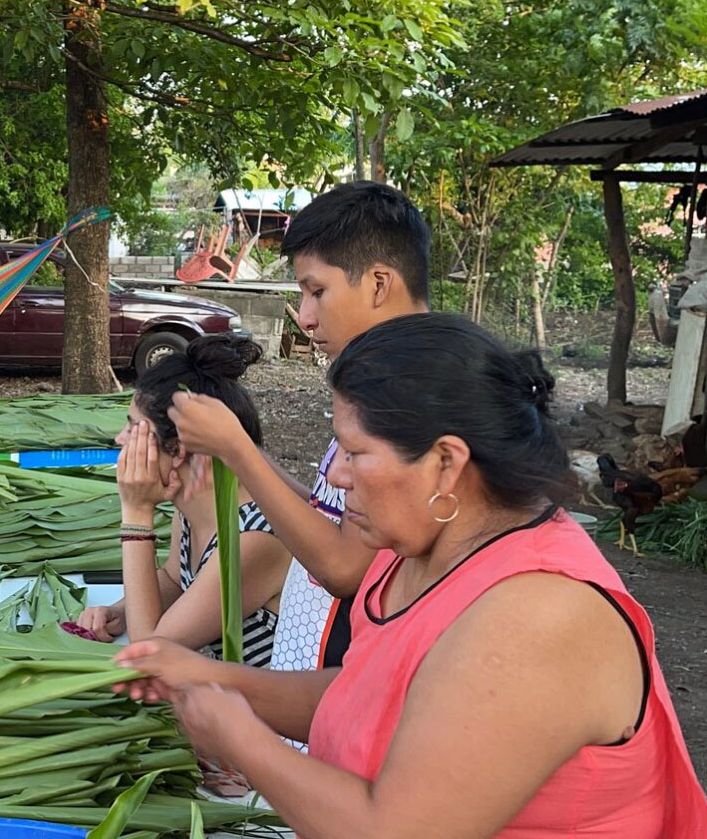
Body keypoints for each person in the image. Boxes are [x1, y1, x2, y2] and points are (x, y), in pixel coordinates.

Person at [117, 314, 707, 838]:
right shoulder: (417, 550)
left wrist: (240, 736)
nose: (338, 477)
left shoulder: (538, 614)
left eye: (355, 452)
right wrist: (209, 677)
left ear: (446, 463)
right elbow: (362, 694)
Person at [169, 181, 430, 675]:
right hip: (315, 672)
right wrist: (237, 450)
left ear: (378, 283)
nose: (306, 317)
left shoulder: (413, 392)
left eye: (317, 291)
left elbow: (344, 568)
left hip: (353, 672)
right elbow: (324, 514)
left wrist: (237, 450)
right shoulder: (377, 380)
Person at [76, 335, 289, 667]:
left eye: (133, 428)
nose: (120, 439)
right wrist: (121, 610)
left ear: (178, 449)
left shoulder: (252, 539)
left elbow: (151, 650)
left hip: (275, 713)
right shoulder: (194, 506)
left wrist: (136, 513)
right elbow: (175, 579)